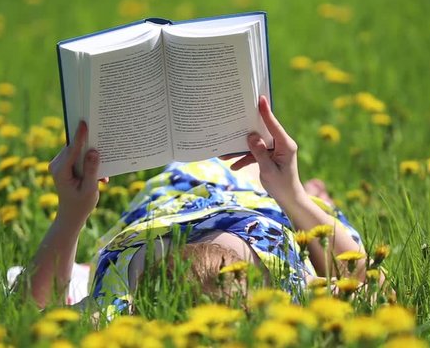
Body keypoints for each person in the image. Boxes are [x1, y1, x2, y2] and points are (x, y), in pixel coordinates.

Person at [25, 96, 368, 312]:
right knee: (311, 219)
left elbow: (31, 313)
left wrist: (71, 214)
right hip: (257, 203)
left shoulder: (119, 305)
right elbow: (356, 275)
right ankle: (308, 197)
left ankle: (302, 197)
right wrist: (292, 193)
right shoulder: (280, 288)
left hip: (171, 195)